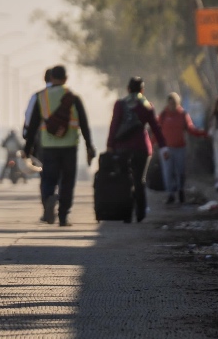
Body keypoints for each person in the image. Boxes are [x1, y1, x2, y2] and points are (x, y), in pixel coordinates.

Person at [22, 65, 96, 226]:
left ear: (51, 78)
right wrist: (89, 146)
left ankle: (48, 198)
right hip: (69, 146)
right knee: (67, 181)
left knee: (48, 178)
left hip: (48, 146)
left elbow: (33, 125)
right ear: (66, 78)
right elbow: (84, 123)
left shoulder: (42, 97)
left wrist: (27, 150)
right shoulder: (73, 97)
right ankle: (63, 216)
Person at [106, 77, 165, 223]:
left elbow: (114, 125)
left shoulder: (120, 105)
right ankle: (140, 212)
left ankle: (126, 213)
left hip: (122, 149)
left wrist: (110, 145)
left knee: (125, 180)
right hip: (142, 148)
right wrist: (164, 147)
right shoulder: (147, 105)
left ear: (128, 89)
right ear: (142, 90)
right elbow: (156, 128)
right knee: (139, 180)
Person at [157, 92, 208, 204]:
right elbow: (157, 131)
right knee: (167, 172)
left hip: (180, 148)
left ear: (178, 103)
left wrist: (202, 133)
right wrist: (151, 145)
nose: (172, 105)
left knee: (180, 171)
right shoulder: (164, 115)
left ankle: (180, 190)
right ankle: (170, 194)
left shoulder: (183, 114)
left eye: (174, 103)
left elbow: (190, 128)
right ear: (167, 103)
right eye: (170, 103)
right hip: (166, 149)